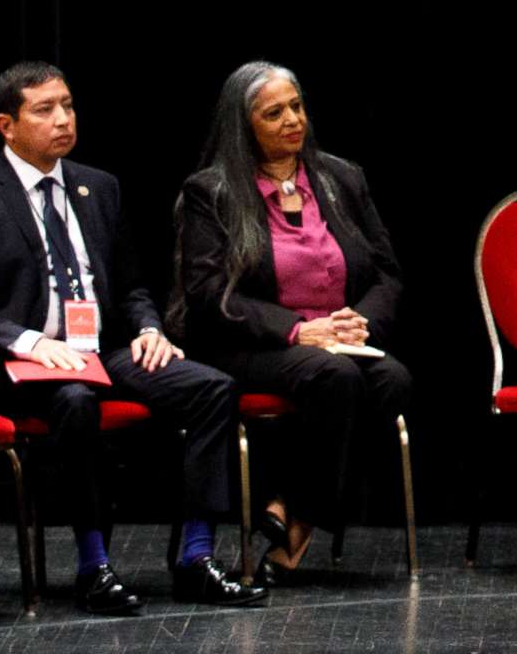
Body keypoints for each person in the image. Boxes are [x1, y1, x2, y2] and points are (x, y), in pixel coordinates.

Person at [0, 62, 266, 614]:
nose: (63, 119)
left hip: (101, 352)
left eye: (68, 105)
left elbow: (130, 285)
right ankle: (94, 565)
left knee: (213, 389)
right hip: (20, 368)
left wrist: (150, 329)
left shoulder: (98, 187)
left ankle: (196, 558)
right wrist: (32, 342)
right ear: (5, 125)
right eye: (44, 109)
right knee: (75, 401)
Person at [176, 60, 411, 581]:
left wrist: (360, 321)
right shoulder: (211, 191)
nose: (292, 120)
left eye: (297, 106)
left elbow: (387, 272)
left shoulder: (341, 178)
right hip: (251, 342)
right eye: (274, 113)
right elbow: (208, 292)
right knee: (336, 377)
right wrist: (297, 329)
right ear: (244, 127)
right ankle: (299, 519)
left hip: (339, 341)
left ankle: (294, 511)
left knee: (394, 379)